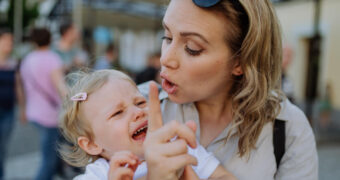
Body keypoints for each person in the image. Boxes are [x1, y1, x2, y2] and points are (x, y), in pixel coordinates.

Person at [139, 0, 318, 179]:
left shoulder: (289, 128)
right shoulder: (129, 108)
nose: (166, 59)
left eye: (192, 48)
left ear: (241, 61)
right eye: (167, 38)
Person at [59, 69, 235, 180]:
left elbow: (222, 175)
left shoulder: (178, 146)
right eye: (118, 113)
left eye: (140, 103)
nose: (138, 112)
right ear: (91, 144)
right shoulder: (99, 175)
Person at [20, 28, 67, 180]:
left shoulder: (27, 59)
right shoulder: (52, 58)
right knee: (49, 161)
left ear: (34, 41)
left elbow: (22, 86)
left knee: (52, 155)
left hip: (34, 112)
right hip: (50, 116)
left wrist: (23, 109)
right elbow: (60, 86)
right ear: (50, 40)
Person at [0, 28, 25, 180]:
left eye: (11, 41)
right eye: (7, 40)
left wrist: (23, 108)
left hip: (9, 111)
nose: (10, 43)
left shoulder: (13, 63)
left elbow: (18, 87)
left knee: (2, 146)